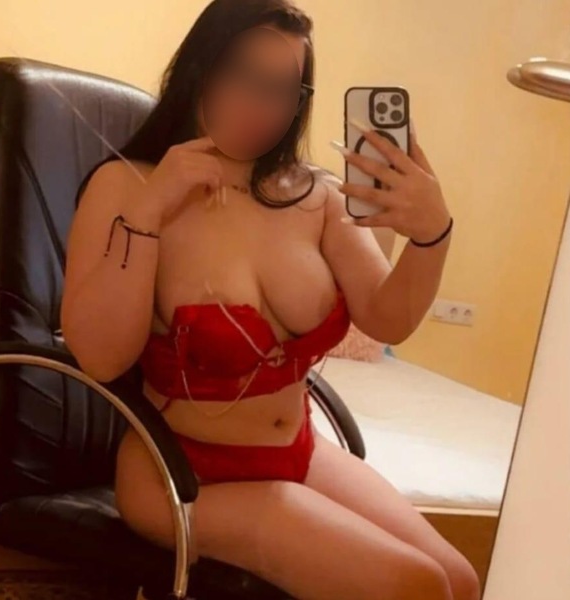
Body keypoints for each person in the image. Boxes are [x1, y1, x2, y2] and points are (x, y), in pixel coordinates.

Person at [60, 1, 479, 599]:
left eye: (284, 88)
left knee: (460, 579)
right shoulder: (127, 182)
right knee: (415, 586)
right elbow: (101, 357)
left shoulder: (317, 196)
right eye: (244, 76)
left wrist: (433, 236)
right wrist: (149, 213)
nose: (264, 104)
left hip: (299, 450)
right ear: (200, 68)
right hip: (182, 474)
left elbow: (389, 319)